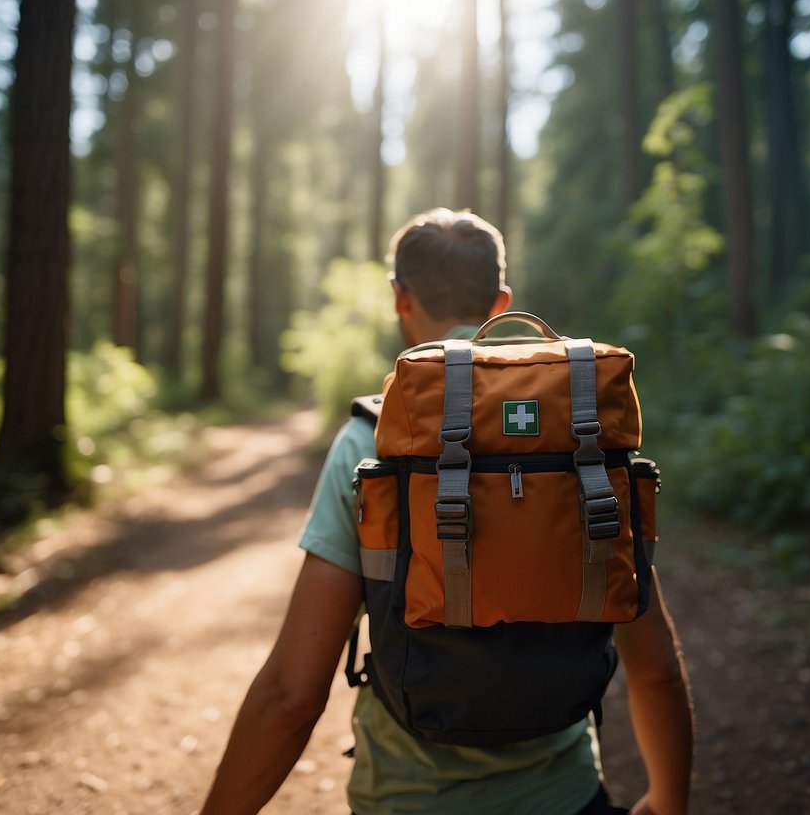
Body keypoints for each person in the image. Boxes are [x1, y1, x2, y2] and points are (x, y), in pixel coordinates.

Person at [199, 208, 694, 815]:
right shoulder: (582, 432)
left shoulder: (372, 441)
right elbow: (657, 670)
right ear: (502, 301)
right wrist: (668, 801)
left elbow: (292, 697)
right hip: (565, 798)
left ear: (399, 299)